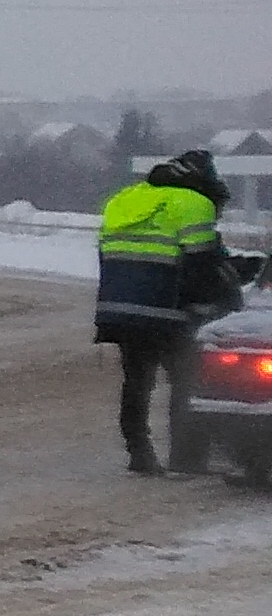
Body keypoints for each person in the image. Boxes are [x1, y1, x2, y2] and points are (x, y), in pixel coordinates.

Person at [94, 149, 240, 474]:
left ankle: (139, 453)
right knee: (187, 380)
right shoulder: (192, 203)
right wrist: (228, 292)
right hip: (167, 313)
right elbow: (204, 266)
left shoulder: (128, 198)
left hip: (121, 308)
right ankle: (187, 457)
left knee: (137, 380)